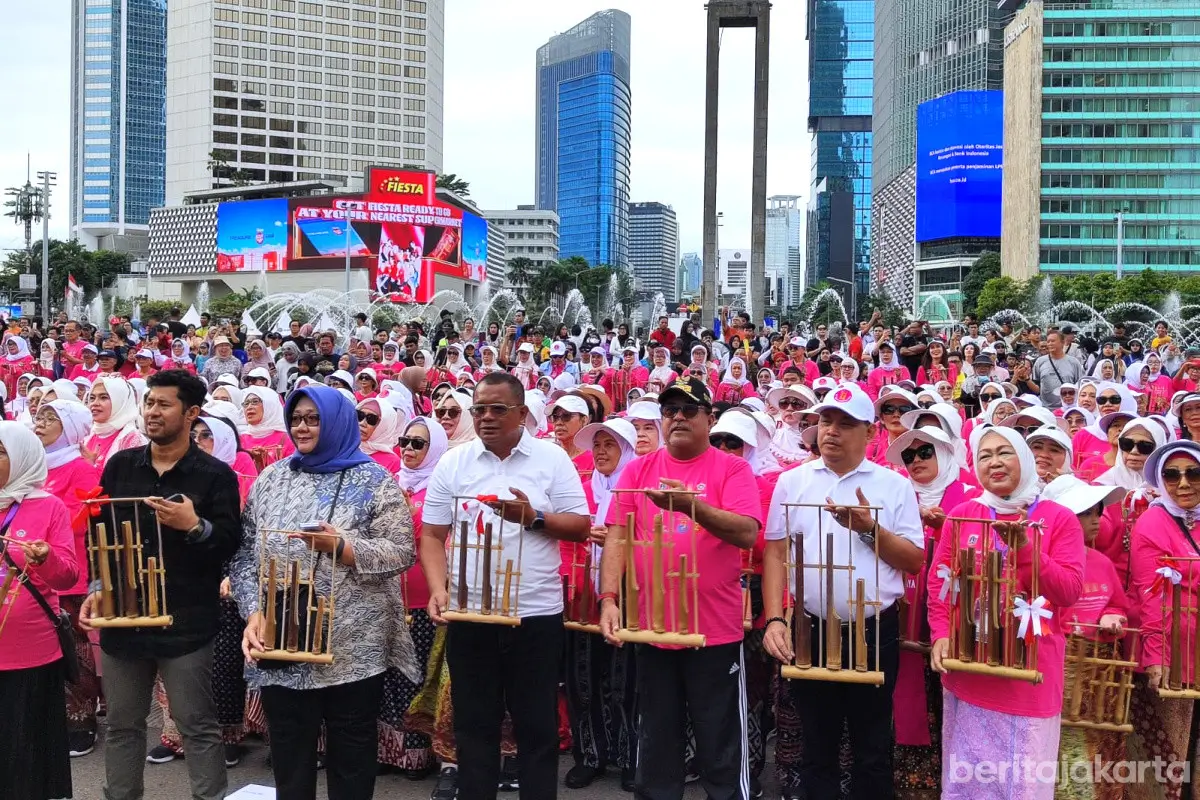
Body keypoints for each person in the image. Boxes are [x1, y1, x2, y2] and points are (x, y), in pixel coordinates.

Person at [234, 384, 417, 800]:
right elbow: (245, 553)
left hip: (354, 646)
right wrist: (252, 612)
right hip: (283, 638)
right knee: (289, 755)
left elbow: (401, 552)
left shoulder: (375, 481)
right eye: (296, 418)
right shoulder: (271, 478)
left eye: (313, 418)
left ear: (336, 421)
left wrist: (344, 547)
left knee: (351, 754)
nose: (302, 427)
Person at [421, 372, 591, 800]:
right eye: (479, 409)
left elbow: (580, 525)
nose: (486, 418)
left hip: (534, 615)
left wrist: (533, 517)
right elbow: (431, 535)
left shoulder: (551, 459)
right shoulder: (454, 462)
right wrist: (438, 588)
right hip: (471, 613)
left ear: (521, 413)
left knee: (537, 727)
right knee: (474, 727)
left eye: (498, 409)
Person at [80, 370, 242, 800]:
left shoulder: (215, 475)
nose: (152, 411)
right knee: (123, 724)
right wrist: (99, 584)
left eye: (163, 404)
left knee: (197, 725)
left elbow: (229, 542)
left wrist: (195, 526)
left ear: (191, 413)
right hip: (124, 616)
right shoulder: (120, 466)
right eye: (149, 402)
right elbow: (98, 536)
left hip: (187, 620)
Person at [598, 377, 762, 800]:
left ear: (710, 418)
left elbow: (746, 532)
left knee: (720, 745)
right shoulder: (638, 470)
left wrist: (694, 507)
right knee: (655, 742)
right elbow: (617, 536)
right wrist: (609, 599)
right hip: (653, 629)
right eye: (670, 410)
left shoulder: (733, 468)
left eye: (689, 410)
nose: (678, 418)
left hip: (714, 632)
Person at [762, 383, 925, 800]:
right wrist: (775, 618)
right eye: (825, 421)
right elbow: (776, 553)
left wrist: (870, 529)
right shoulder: (792, 482)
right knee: (818, 745)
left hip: (873, 630)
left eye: (845, 423)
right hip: (810, 628)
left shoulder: (894, 486)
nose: (830, 431)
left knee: (872, 746)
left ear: (870, 433)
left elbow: (912, 560)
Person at [927, 427, 1085, 800]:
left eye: (1004, 452)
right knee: (966, 784)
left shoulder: (1058, 519)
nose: (994, 462)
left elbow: (1069, 591)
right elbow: (940, 582)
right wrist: (940, 633)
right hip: (969, 671)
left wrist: (1028, 550)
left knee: (1022, 786)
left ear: (1025, 459)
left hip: (1029, 676)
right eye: (984, 455)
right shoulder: (963, 515)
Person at [0, 422, 80, 800]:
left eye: (1, 452)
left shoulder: (48, 506)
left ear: (21, 458)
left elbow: (67, 576)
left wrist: (45, 557)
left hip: (29, 655)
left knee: (25, 755)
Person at [564, 417, 640, 791]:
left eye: (610, 444)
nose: (601, 451)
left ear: (626, 449)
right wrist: (584, 533)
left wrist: (615, 539)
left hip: (627, 594)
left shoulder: (638, 490)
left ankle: (630, 757)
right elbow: (563, 535)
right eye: (596, 445)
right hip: (583, 595)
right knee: (583, 678)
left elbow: (647, 539)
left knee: (625, 680)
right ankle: (590, 754)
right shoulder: (580, 489)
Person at [1129, 439, 1200, 797]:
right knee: (1169, 755)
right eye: (1171, 475)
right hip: (1175, 654)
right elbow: (1150, 594)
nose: (1183, 483)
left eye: (1193, 473)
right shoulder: (1152, 523)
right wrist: (1154, 655)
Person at [35, 399, 103, 756]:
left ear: (71, 427)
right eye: (39, 416)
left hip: (70, 571)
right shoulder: (34, 467)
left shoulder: (81, 469)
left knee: (74, 646)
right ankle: (54, 716)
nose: (40, 422)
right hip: (33, 571)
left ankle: (82, 718)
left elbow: (84, 520)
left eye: (51, 418)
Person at [83, 376, 148, 473]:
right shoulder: (89, 433)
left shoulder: (132, 439)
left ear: (120, 402)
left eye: (103, 397)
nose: (94, 403)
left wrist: (93, 468)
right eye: (92, 398)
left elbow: (130, 483)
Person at [239, 386, 295, 469]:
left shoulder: (287, 440)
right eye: (246, 403)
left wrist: (264, 461)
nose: (249, 407)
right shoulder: (240, 439)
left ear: (270, 405)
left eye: (255, 402)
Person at [1031, 330, 1083, 409]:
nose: (1050, 344)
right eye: (1048, 341)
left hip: (1068, 409)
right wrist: (1026, 379)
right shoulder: (1040, 362)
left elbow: (1080, 386)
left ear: (1062, 342)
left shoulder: (1074, 362)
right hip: (1046, 408)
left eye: (1053, 341)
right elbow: (1036, 386)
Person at [356, 397, 403, 473]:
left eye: (371, 419)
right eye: (360, 416)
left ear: (384, 426)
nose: (362, 423)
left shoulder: (393, 463)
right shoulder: (346, 449)